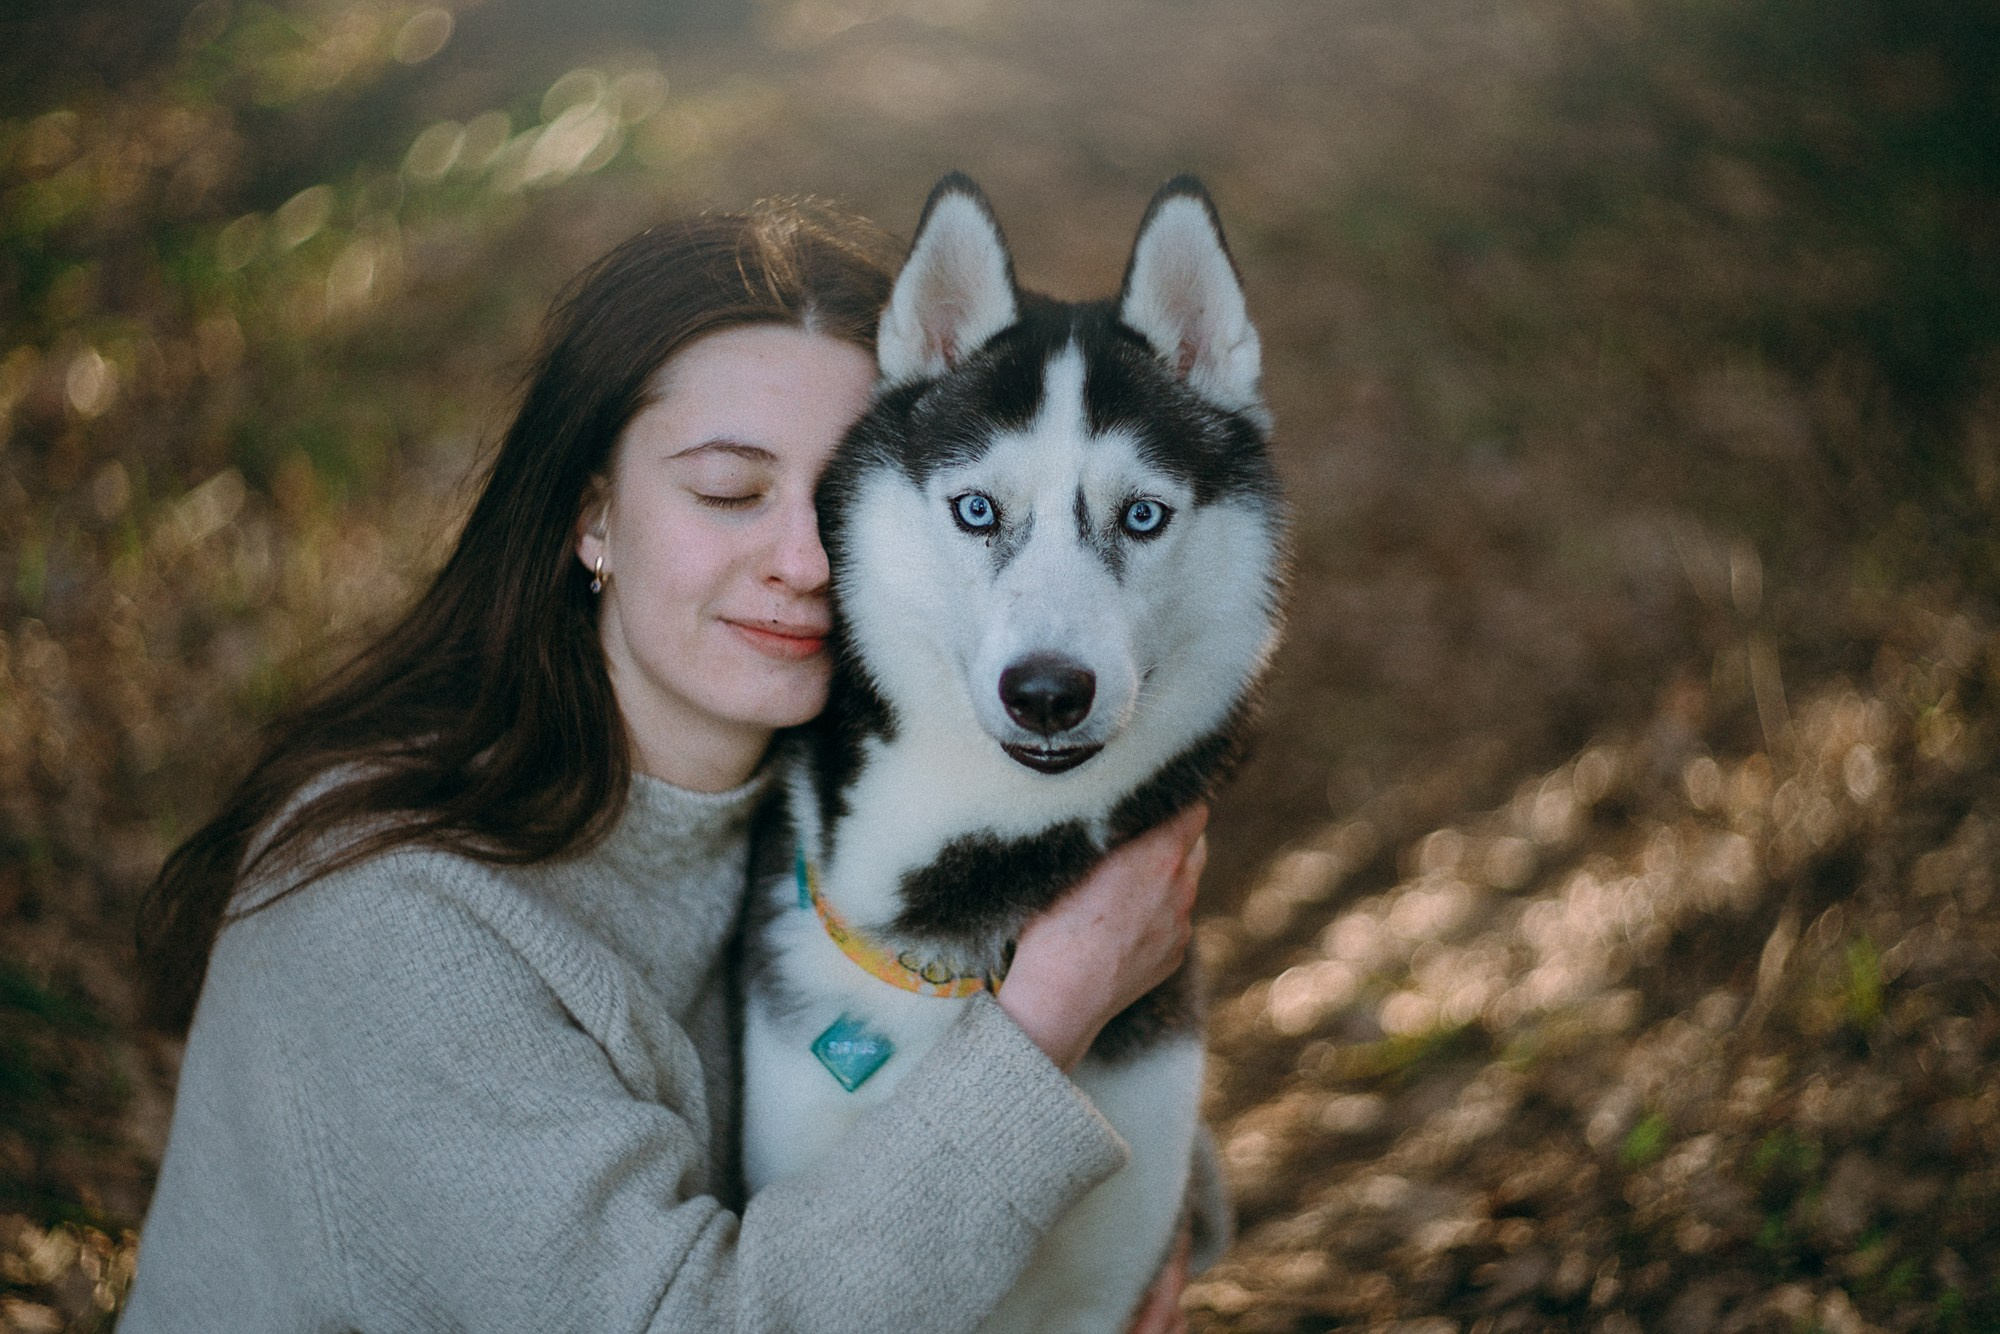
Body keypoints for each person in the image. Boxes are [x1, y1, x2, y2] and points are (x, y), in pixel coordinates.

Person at [121, 197, 1219, 1332]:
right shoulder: (393, 919)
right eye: (728, 492)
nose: (803, 559)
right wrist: (1043, 1022)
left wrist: (1140, 1228)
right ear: (591, 515)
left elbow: (1007, 1146)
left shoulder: (813, 796)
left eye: (845, 499)